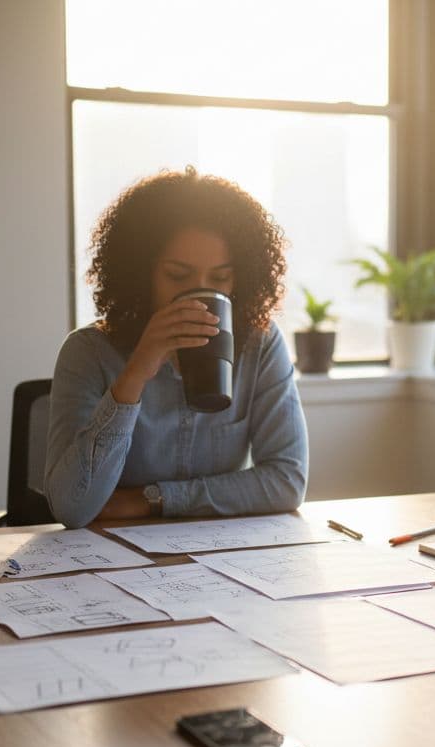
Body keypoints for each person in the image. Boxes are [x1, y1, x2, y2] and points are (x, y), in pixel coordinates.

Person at [46, 168, 308, 526]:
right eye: (178, 276)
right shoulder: (88, 352)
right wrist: (138, 371)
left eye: (220, 278)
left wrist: (153, 499)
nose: (200, 294)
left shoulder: (259, 345)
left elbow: (287, 481)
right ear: (142, 273)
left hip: (221, 558)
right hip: (116, 560)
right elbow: (73, 509)